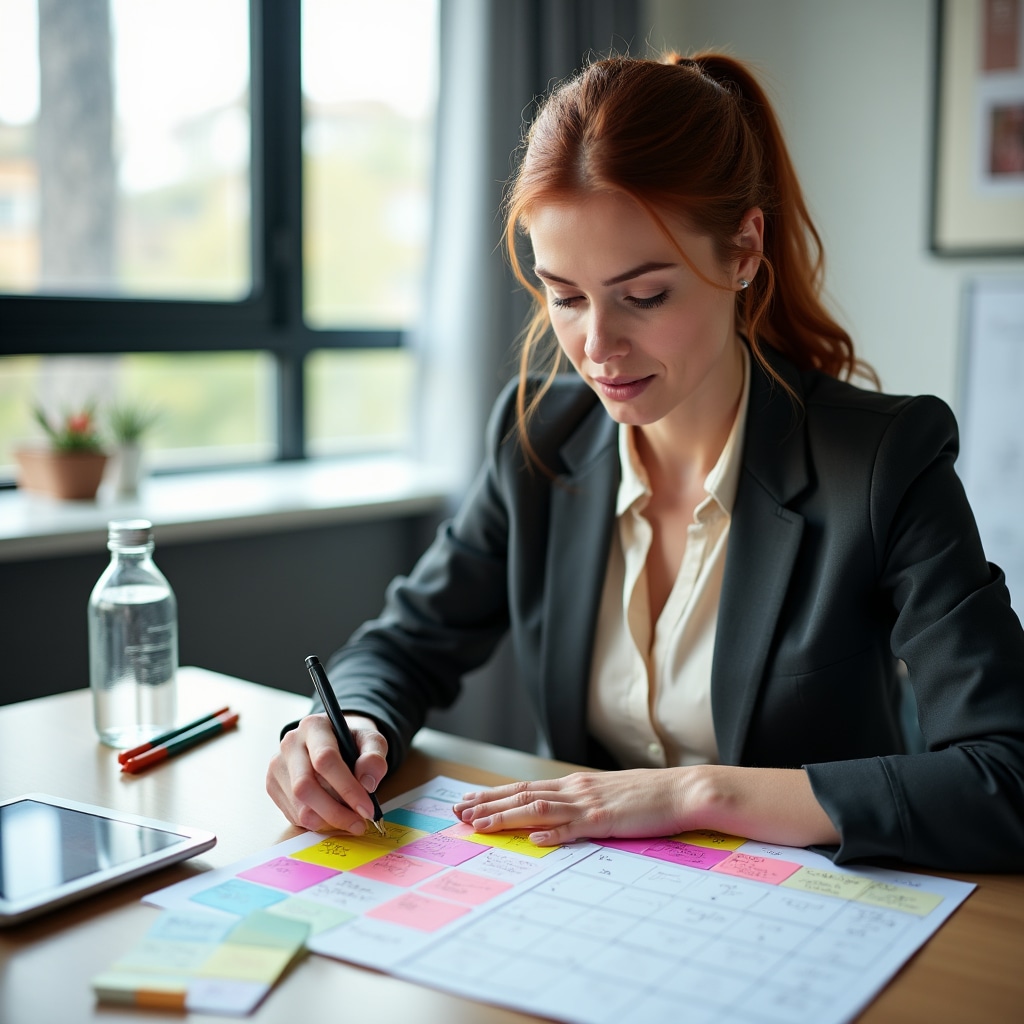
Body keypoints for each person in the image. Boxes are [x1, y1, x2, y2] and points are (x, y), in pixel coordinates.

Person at [267, 52, 1024, 872]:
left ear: (743, 250)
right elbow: (406, 644)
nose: (597, 346)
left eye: (645, 295)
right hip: (590, 898)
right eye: (565, 295)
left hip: (811, 906)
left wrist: (697, 793)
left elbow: (1007, 777)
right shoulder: (539, 438)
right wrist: (346, 725)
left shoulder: (883, 463)